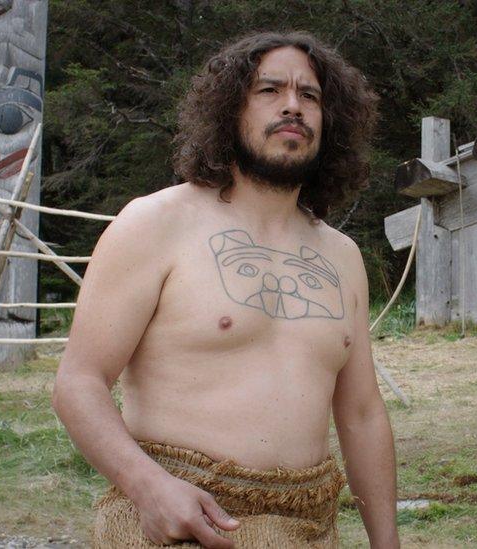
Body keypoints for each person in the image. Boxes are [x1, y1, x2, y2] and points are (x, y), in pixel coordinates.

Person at [52, 31, 399, 548]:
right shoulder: (156, 223)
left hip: (307, 531)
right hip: (175, 526)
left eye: (310, 96)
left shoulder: (341, 257)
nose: (292, 106)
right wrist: (149, 488)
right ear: (229, 109)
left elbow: (363, 413)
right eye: (269, 90)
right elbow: (78, 383)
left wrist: (386, 543)